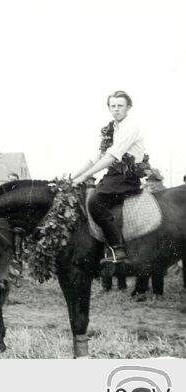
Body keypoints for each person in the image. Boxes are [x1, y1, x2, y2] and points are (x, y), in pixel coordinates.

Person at [72, 91, 148, 265]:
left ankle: (118, 249)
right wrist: (74, 177)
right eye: (112, 106)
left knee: (95, 201)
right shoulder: (112, 128)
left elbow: (111, 156)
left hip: (126, 177)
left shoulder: (130, 128)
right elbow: (97, 156)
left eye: (120, 106)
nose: (116, 110)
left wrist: (84, 176)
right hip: (114, 176)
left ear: (129, 107)